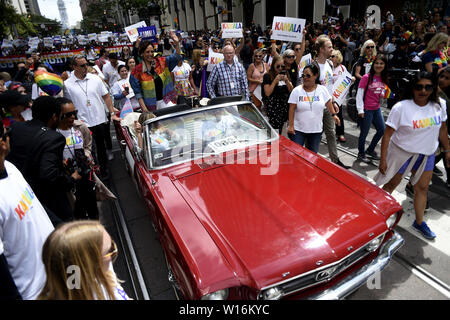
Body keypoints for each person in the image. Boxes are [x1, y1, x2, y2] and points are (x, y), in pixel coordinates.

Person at [375, 71, 450, 240]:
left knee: (422, 188)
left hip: (427, 155)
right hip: (402, 154)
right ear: (412, 88)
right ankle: (378, 218)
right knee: (390, 186)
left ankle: (419, 221)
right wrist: (383, 159)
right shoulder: (401, 108)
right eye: (419, 87)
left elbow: (443, 129)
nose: (423, 91)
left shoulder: (440, 105)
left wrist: (447, 150)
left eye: (428, 87)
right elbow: (387, 135)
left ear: (434, 88)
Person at [0, 120, 54, 299]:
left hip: (58, 273)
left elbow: (35, 207)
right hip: (36, 293)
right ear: (2, 142)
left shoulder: (10, 168)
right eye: (6, 132)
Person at [7, 96, 82, 223]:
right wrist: (71, 179)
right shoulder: (54, 138)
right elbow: (49, 174)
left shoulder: (15, 128)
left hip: (19, 197)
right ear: (54, 117)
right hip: (48, 202)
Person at [38, 220, 131, 300]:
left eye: (112, 245)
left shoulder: (99, 272)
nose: (114, 252)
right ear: (87, 264)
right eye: (109, 251)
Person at [64, 54, 121, 178]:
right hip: (83, 124)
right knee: (89, 150)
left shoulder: (95, 79)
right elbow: (67, 105)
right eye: (82, 65)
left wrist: (112, 113)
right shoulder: (67, 84)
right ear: (74, 67)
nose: (86, 67)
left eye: (87, 64)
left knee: (102, 148)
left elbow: (106, 96)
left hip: (100, 120)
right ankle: (94, 174)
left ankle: (105, 171)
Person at [55, 97, 99, 220]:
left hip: (85, 173)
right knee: (77, 210)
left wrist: (87, 155)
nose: (73, 117)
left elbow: (88, 144)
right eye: (69, 114)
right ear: (58, 116)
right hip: (69, 178)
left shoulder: (80, 127)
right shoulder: (53, 134)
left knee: (92, 206)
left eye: (75, 113)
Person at [288, 63, 340, 153]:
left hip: (315, 130)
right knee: (296, 154)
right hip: (298, 130)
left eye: (308, 75)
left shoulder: (322, 90)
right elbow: (291, 109)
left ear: (315, 76)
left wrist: (334, 115)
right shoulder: (296, 90)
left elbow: (328, 102)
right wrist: (291, 126)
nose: (305, 78)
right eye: (303, 75)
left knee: (312, 156)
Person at [314, 35, 348, 168]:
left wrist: (333, 101)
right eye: (329, 47)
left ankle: (335, 161)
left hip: (328, 106)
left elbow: (329, 86)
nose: (332, 50)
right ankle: (311, 158)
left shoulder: (329, 63)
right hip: (317, 107)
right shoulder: (314, 65)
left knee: (331, 133)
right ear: (321, 49)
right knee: (315, 134)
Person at [130, 31, 181, 111]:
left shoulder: (161, 62)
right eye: (147, 52)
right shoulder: (136, 72)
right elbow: (138, 94)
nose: (150, 54)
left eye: (152, 51)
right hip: (150, 107)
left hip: (166, 101)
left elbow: (177, 56)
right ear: (142, 53)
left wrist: (177, 43)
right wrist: (146, 111)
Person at [356, 54, 389, 163]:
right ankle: (361, 152)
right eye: (377, 63)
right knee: (364, 133)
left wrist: (384, 93)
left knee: (382, 130)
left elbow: (382, 91)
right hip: (366, 110)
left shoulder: (383, 77)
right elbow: (359, 94)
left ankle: (370, 150)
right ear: (373, 64)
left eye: (381, 63)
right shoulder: (366, 77)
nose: (379, 65)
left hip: (377, 108)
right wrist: (360, 110)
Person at [262, 55, 293, 134]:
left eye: (282, 66)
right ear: (273, 66)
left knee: (282, 132)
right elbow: (267, 93)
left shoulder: (286, 74)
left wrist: (287, 81)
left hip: (284, 108)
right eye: (277, 66)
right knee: (274, 133)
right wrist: (275, 81)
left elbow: (292, 91)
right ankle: (274, 146)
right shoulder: (268, 76)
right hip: (273, 109)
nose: (280, 68)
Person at [330, 49, 353, 143]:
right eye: (330, 56)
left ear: (338, 57)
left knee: (339, 114)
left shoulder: (342, 68)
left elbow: (347, 79)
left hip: (337, 96)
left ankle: (340, 133)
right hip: (328, 94)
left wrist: (352, 79)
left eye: (333, 56)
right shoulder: (328, 67)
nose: (330, 58)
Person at [434, 66, 450, 186]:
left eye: (447, 78)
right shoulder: (435, 92)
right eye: (442, 76)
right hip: (438, 130)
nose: (443, 80)